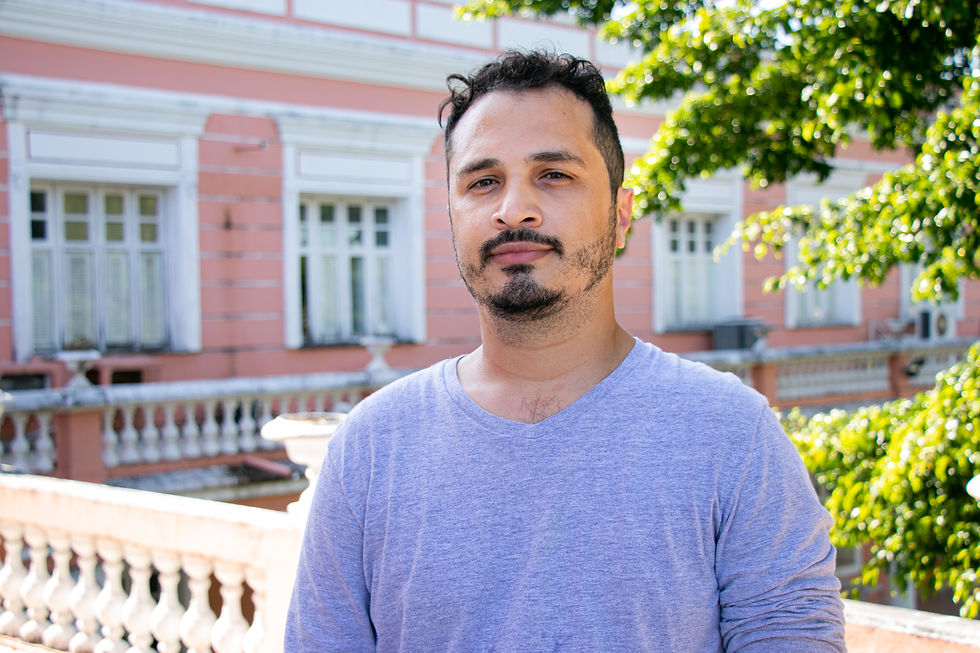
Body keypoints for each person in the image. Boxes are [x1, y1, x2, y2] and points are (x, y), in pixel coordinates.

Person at [285, 50, 846, 652]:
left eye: (554, 174)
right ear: (452, 215)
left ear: (621, 214)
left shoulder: (731, 433)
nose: (513, 209)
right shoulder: (371, 446)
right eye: (482, 182)